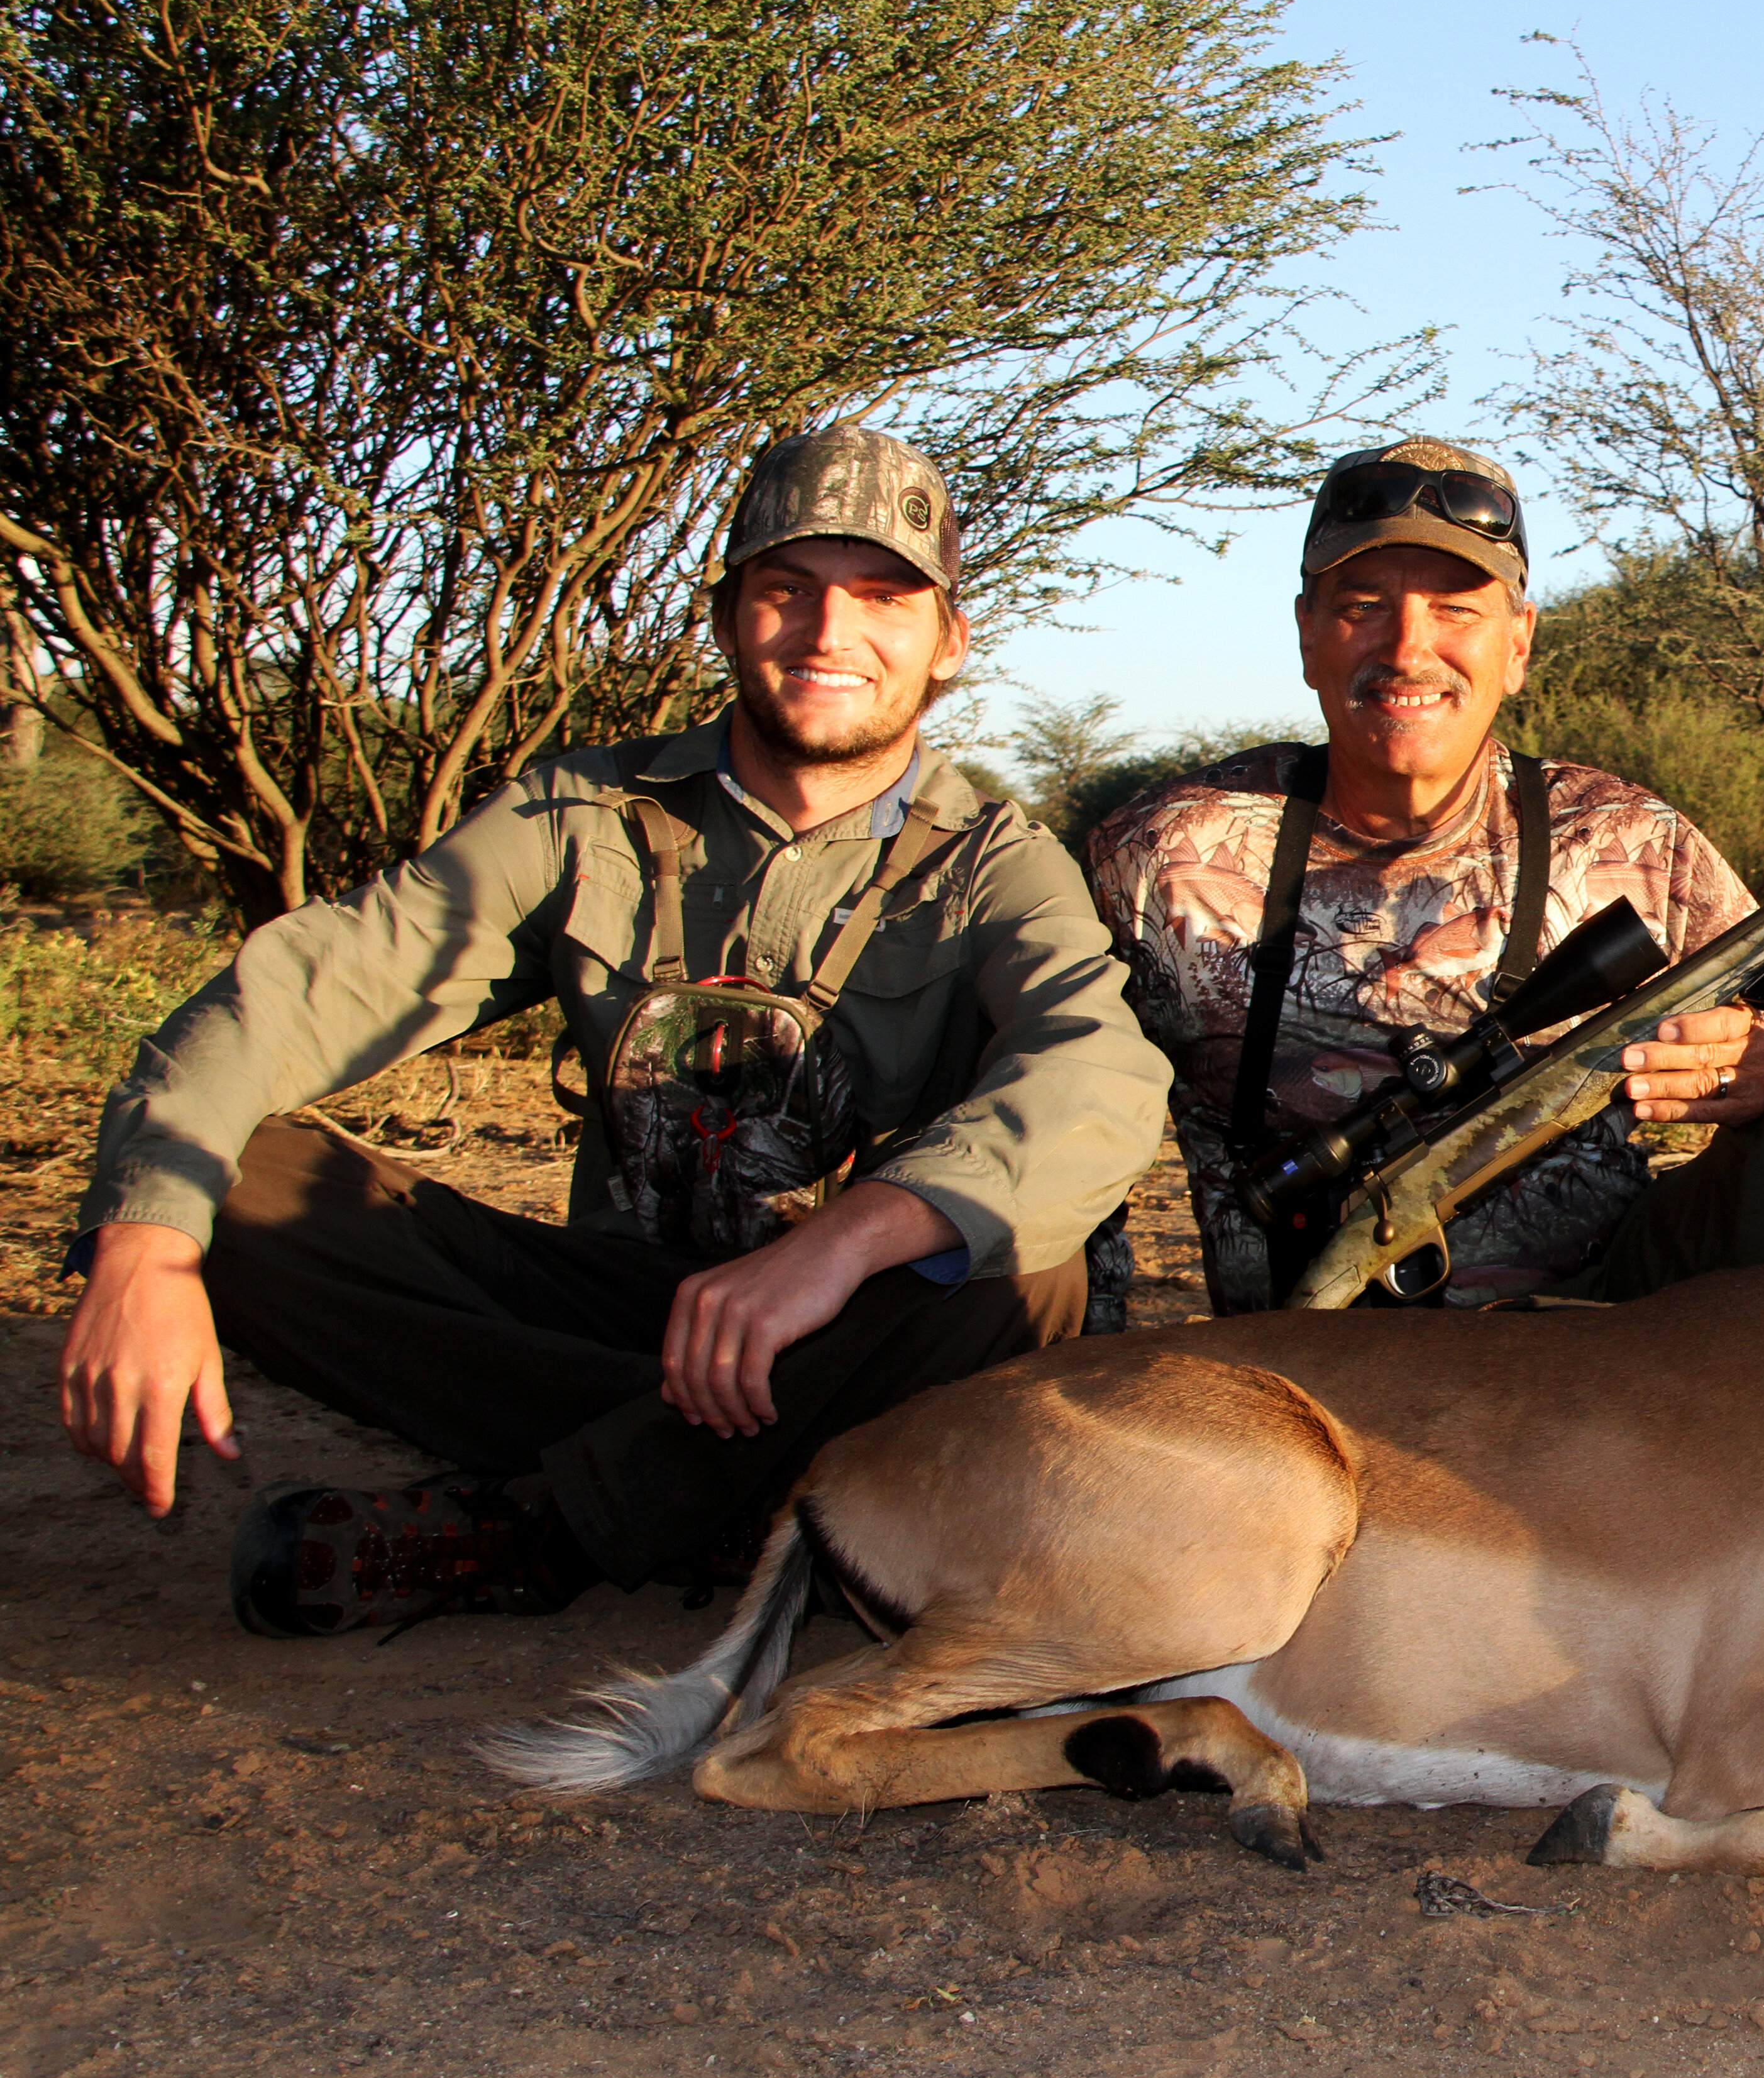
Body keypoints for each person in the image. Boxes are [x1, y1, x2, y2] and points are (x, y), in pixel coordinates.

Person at [57, 425, 1172, 1635]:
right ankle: (766, 1498)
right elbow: (307, 987)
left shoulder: (998, 860)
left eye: (883, 597)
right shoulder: (579, 811)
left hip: (853, 1325)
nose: (829, 632)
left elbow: (1098, 1073)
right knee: (231, 1179)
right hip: (630, 1310)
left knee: (1021, 1270)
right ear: (727, 615)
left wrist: (846, 1241)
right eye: (785, 590)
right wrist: (144, 1246)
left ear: (947, 640)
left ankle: (535, 1532)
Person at [1077, 437, 1764, 1317]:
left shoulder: (1627, 840)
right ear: (1307, 633)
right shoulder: (1165, 855)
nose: (1407, 647)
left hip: (1600, 1346)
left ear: (1519, 645)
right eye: (1362, 606)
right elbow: (1061, 1120)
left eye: (1457, 610)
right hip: (1302, 1367)